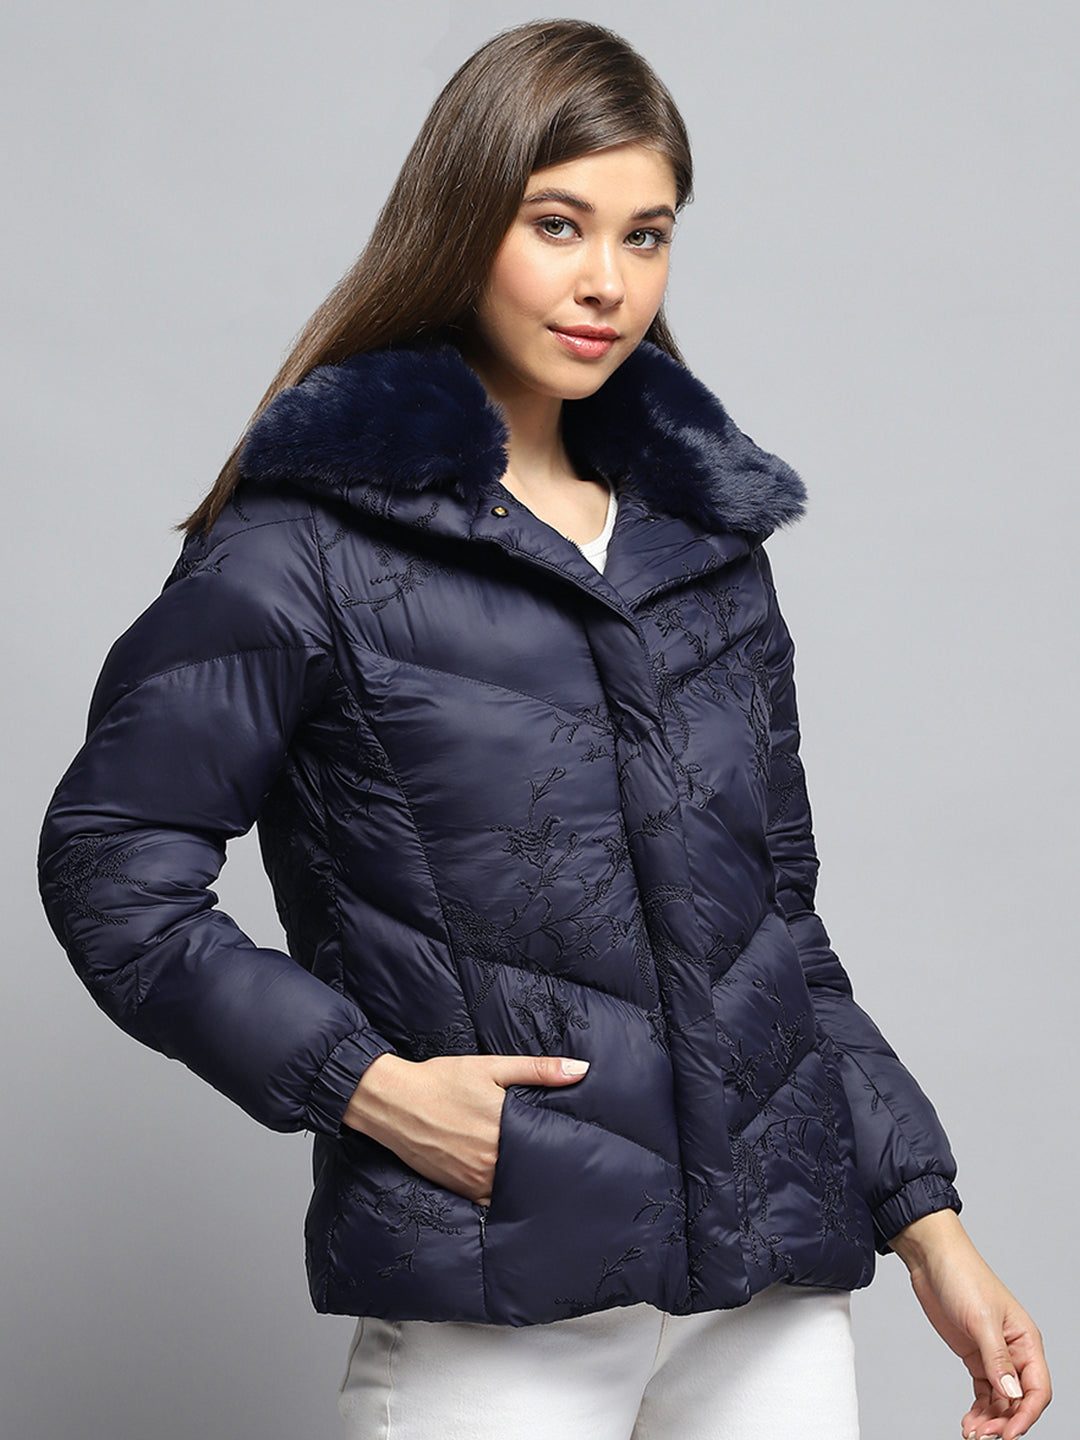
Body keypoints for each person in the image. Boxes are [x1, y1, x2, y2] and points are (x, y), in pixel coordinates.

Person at [38, 18, 1050, 1440]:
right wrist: (367, 1087)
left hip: (768, 1301)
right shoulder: (305, 545)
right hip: (498, 1299)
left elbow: (778, 934)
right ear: (463, 226)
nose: (606, 283)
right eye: (558, 224)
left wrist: (929, 1225)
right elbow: (111, 867)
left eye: (648, 236)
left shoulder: (706, 544)